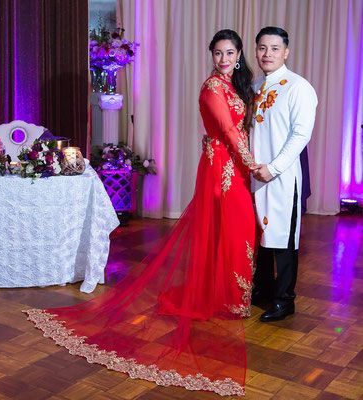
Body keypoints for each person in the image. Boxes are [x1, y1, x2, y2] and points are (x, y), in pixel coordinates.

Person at [24, 30, 257, 397]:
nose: (223, 59)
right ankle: (226, 297)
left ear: (239, 55)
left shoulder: (235, 85)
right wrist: (253, 164)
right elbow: (227, 130)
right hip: (220, 169)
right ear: (211, 56)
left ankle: (229, 295)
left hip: (235, 167)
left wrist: (248, 162)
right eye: (217, 53)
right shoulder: (212, 87)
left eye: (229, 52)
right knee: (227, 226)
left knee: (233, 229)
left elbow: (241, 126)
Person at [250, 27, 318, 322]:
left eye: (274, 48)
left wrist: (274, 167)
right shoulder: (254, 86)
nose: (268, 54)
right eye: (262, 48)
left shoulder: (298, 87)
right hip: (255, 175)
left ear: (286, 52)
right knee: (260, 235)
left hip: (282, 176)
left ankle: (284, 299)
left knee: (284, 239)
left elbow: (301, 135)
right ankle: (262, 290)